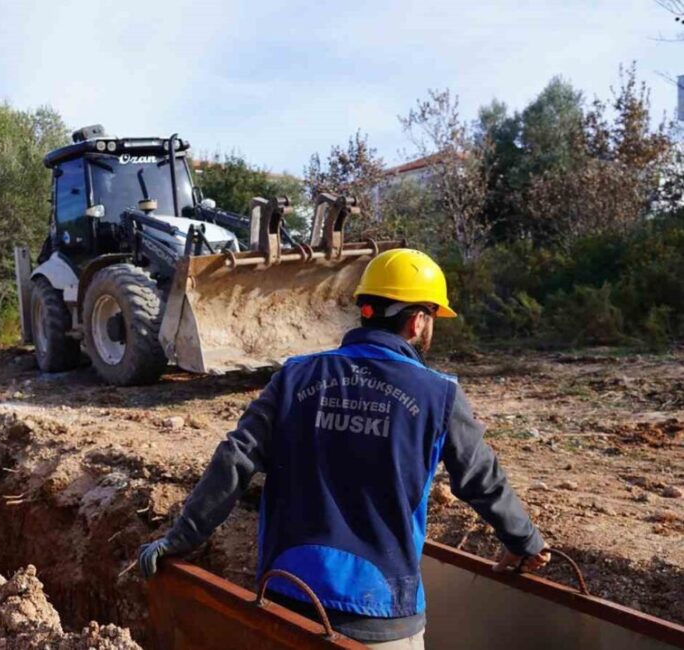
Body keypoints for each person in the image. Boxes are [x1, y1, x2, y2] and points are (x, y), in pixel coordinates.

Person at [138, 249, 550, 649]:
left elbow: (235, 457)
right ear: (418, 320)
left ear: (365, 308)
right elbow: (482, 481)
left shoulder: (294, 376)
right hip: (382, 615)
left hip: (286, 602)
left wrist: (181, 538)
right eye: (432, 318)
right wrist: (525, 543)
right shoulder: (439, 395)